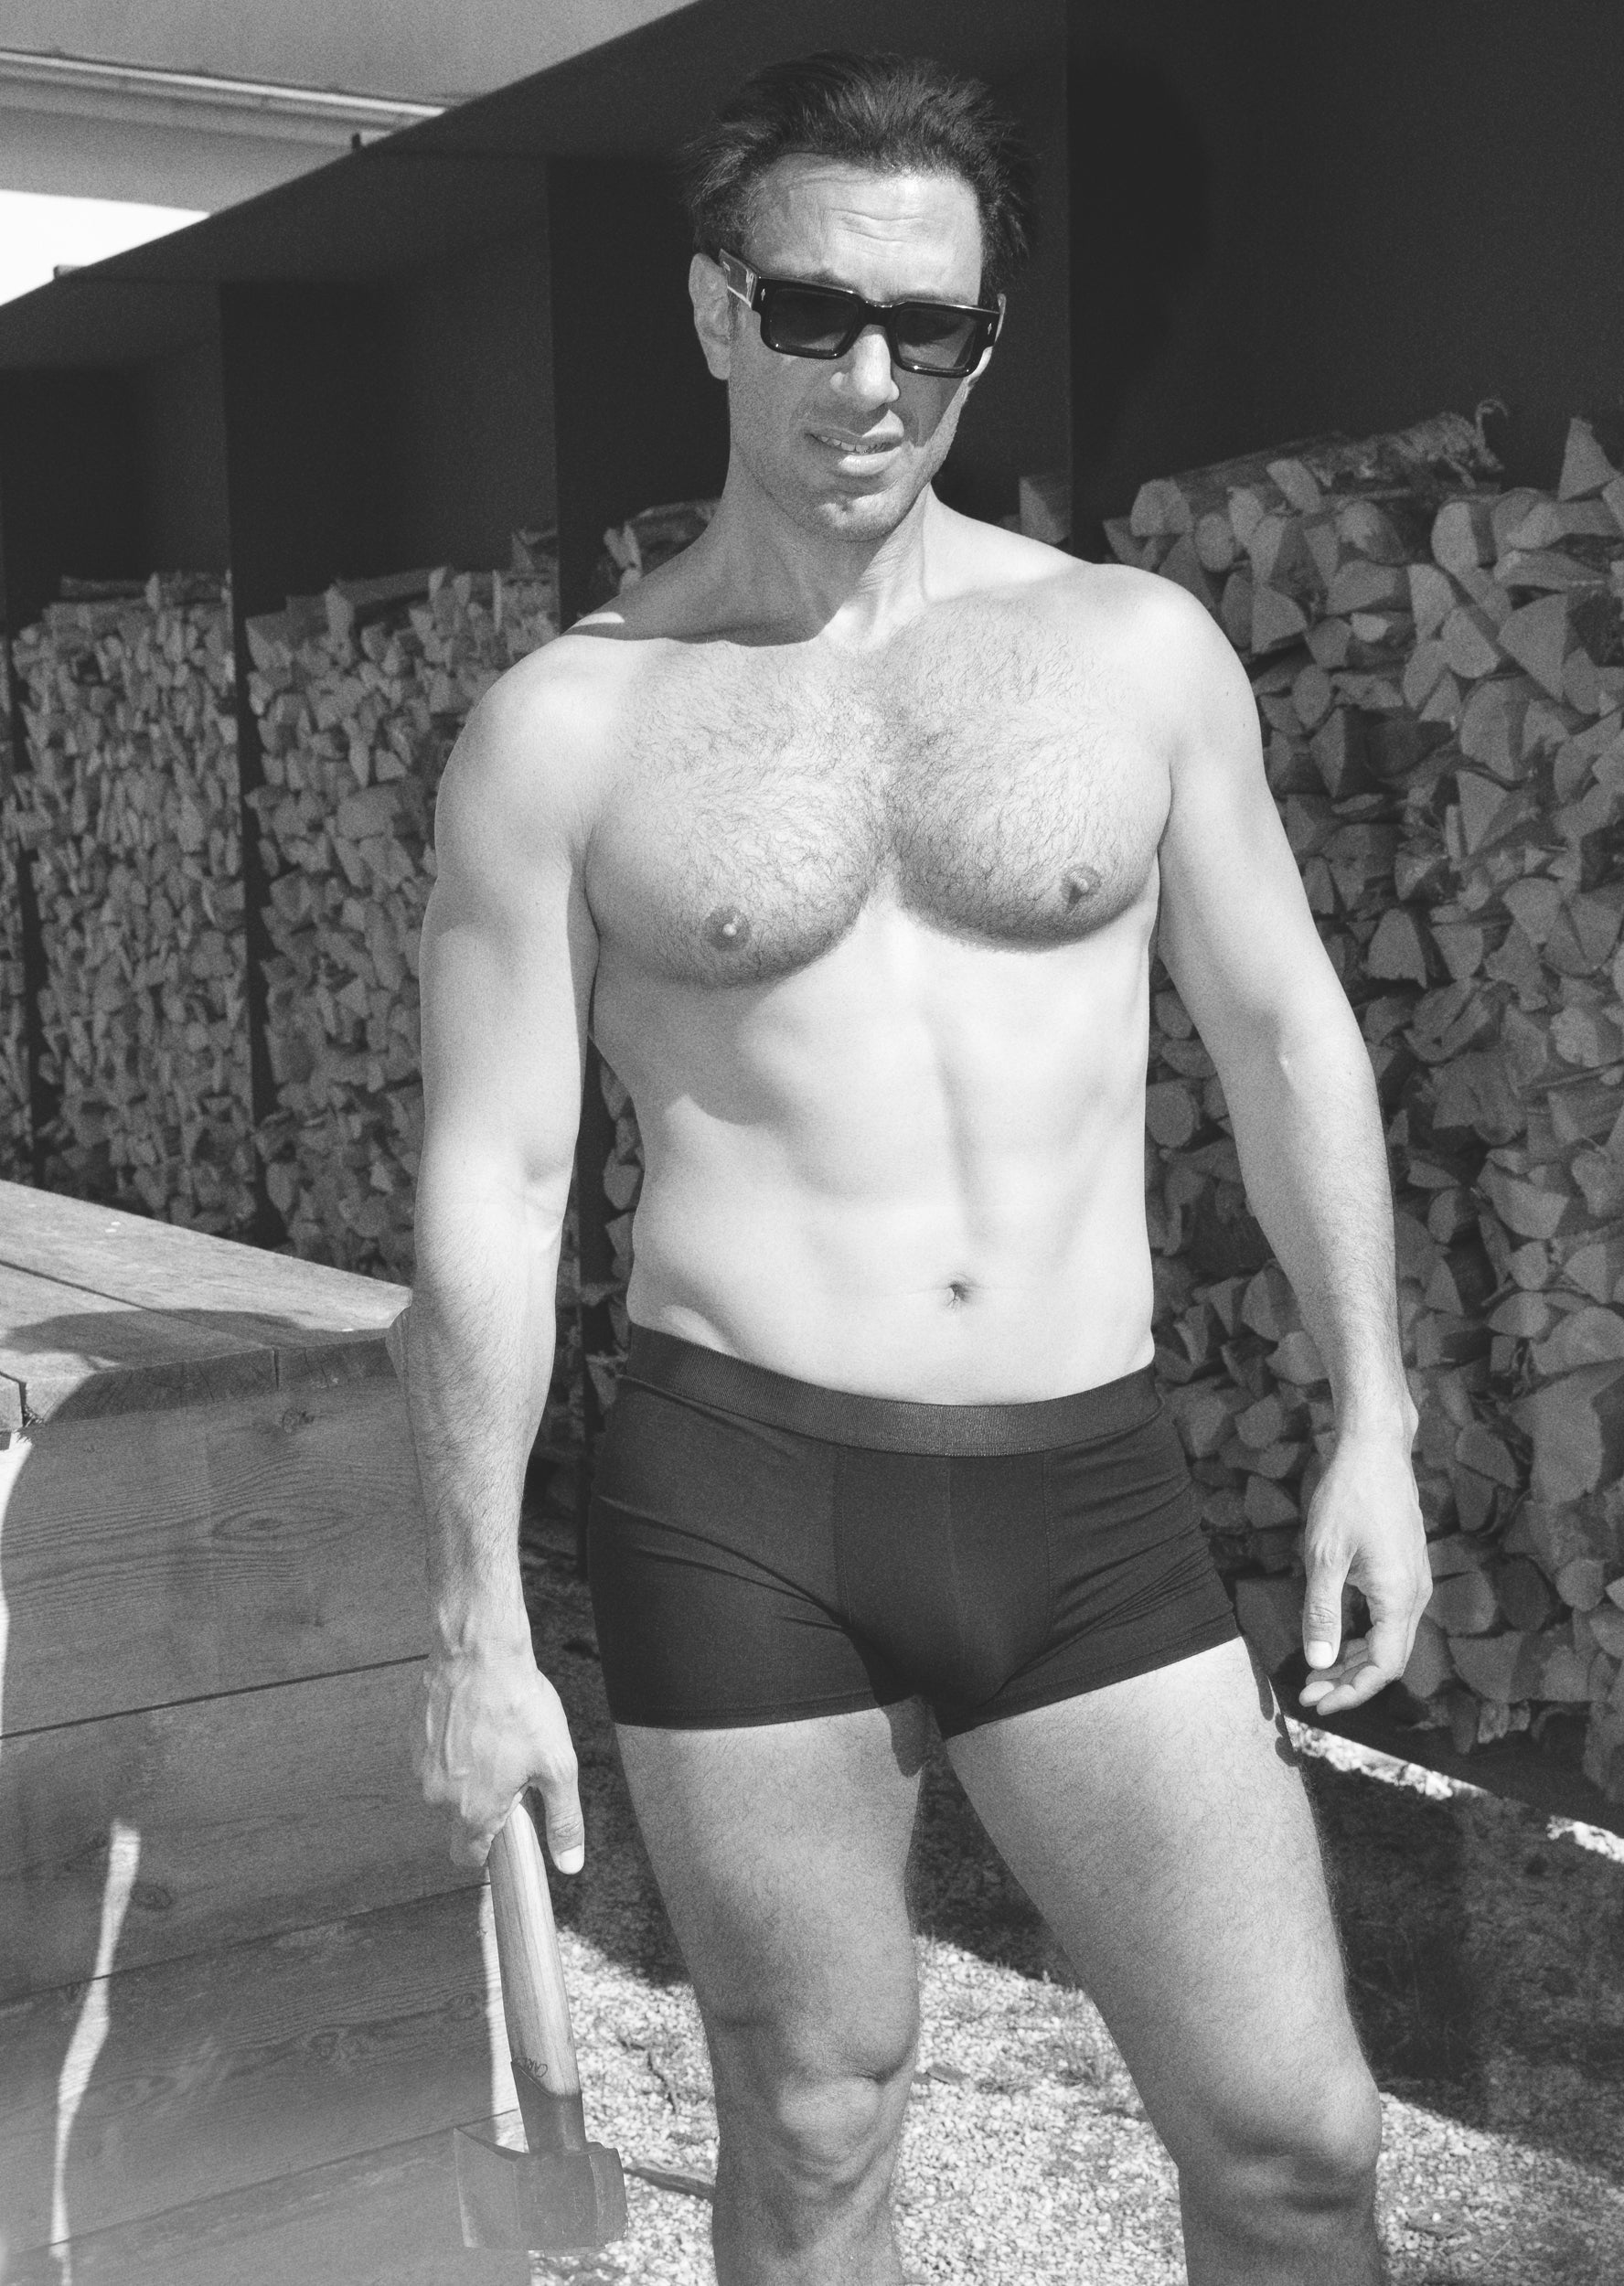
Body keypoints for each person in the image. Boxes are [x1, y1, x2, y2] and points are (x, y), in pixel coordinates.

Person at [405, 47, 1430, 2286]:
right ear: (714, 308)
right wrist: (477, 1619)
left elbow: (1283, 1032)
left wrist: (1375, 1412)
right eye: (812, 314)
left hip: (1088, 1495)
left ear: (984, 338)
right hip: (741, 1493)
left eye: (930, 332)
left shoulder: (1131, 653)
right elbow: (493, 1182)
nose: (870, 383)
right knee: (812, 2116)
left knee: (1293, 2141)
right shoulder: (565, 727)